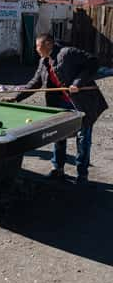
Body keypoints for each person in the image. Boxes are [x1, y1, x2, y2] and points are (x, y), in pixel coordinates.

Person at [7, 33, 108, 184]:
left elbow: (93, 63)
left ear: (48, 44)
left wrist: (78, 83)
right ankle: (58, 170)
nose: (36, 49)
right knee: (59, 135)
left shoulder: (67, 53)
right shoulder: (44, 61)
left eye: (38, 46)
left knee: (83, 137)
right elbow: (35, 82)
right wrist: (16, 97)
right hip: (60, 104)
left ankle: (82, 175)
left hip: (81, 102)